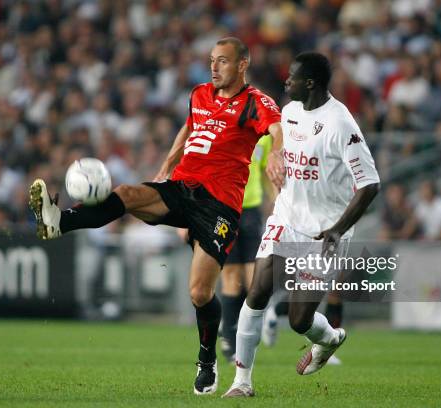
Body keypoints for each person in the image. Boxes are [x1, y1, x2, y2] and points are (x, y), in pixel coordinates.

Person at [28, 37, 283, 395]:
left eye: (222, 61)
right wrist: (167, 163)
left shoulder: (255, 102)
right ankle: (58, 222)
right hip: (182, 187)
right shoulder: (199, 94)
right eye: (212, 60)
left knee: (198, 292)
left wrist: (277, 153)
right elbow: (191, 126)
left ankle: (207, 359)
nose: (214, 67)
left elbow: (276, 127)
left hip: (219, 206)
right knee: (128, 194)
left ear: (242, 64)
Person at [223, 52, 380, 397]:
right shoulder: (290, 112)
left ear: (310, 83)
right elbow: (277, 148)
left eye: (291, 78)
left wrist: (338, 229)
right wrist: (275, 160)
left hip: (325, 231)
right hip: (287, 218)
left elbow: (370, 184)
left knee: (299, 321)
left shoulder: (341, 125)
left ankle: (330, 339)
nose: (286, 82)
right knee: (258, 289)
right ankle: (241, 382)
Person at [220, 135, 274, 362]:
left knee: (254, 280)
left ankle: (243, 331)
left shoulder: (265, 137)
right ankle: (230, 341)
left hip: (250, 212)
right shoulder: (225, 127)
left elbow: (264, 171)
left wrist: (275, 200)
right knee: (232, 278)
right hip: (224, 208)